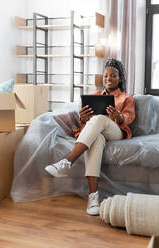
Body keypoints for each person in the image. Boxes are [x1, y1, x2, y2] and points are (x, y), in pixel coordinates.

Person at [44, 58, 136, 216]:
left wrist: (118, 116)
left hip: (116, 132)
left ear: (120, 78)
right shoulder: (94, 95)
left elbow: (128, 119)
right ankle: (93, 198)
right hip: (97, 131)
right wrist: (83, 117)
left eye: (113, 75)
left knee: (100, 119)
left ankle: (67, 162)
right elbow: (84, 121)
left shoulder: (126, 98)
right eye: (106, 75)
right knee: (97, 138)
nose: (108, 79)